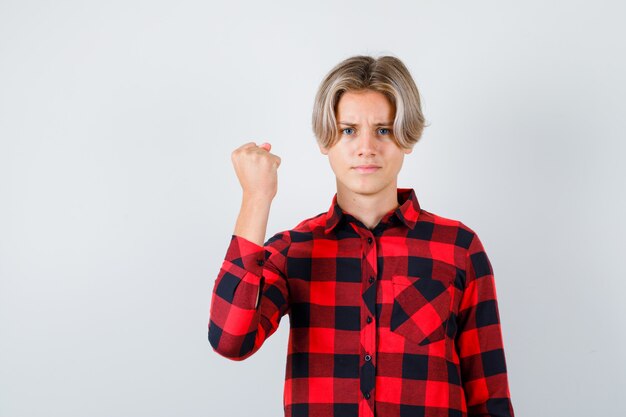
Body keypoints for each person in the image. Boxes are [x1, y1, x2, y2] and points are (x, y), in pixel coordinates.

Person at [208, 55, 514, 417]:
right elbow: (230, 340)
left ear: (407, 138)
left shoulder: (458, 249)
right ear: (326, 140)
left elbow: (489, 397)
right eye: (349, 130)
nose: (366, 147)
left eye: (383, 130)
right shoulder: (293, 251)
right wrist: (256, 198)